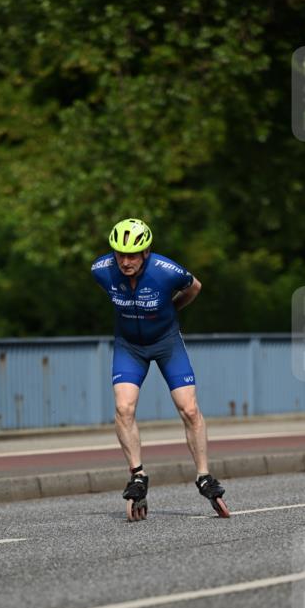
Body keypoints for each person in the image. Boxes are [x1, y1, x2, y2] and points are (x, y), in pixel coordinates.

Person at [91, 217, 228, 518]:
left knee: (189, 409)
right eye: (120, 254)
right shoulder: (101, 270)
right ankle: (137, 475)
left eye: (132, 255)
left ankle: (204, 475)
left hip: (167, 343)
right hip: (129, 347)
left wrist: (171, 309)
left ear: (146, 252)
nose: (125, 262)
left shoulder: (167, 271)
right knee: (124, 408)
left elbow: (195, 287)